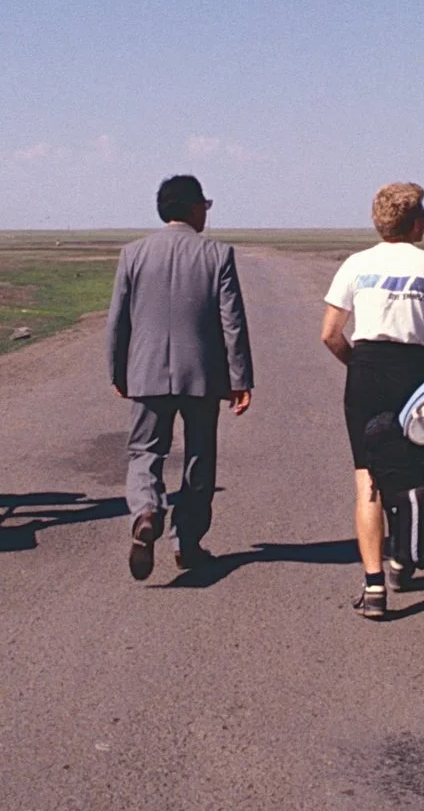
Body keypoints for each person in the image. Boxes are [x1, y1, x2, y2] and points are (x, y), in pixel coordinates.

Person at [320, 183, 424, 619]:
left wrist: (357, 364)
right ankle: (416, 553)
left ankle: (375, 585)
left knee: (368, 478)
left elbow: (330, 334)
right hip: (413, 372)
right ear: (414, 222)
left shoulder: (356, 265)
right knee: (422, 463)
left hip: (366, 371)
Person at [108, 175, 254, 580]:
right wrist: (240, 378)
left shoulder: (133, 253)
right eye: (204, 205)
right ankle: (186, 543)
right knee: (199, 456)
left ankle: (147, 511)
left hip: (145, 371)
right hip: (202, 375)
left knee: (145, 452)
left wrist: (117, 370)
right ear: (193, 209)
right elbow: (233, 324)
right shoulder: (217, 254)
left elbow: (118, 321)